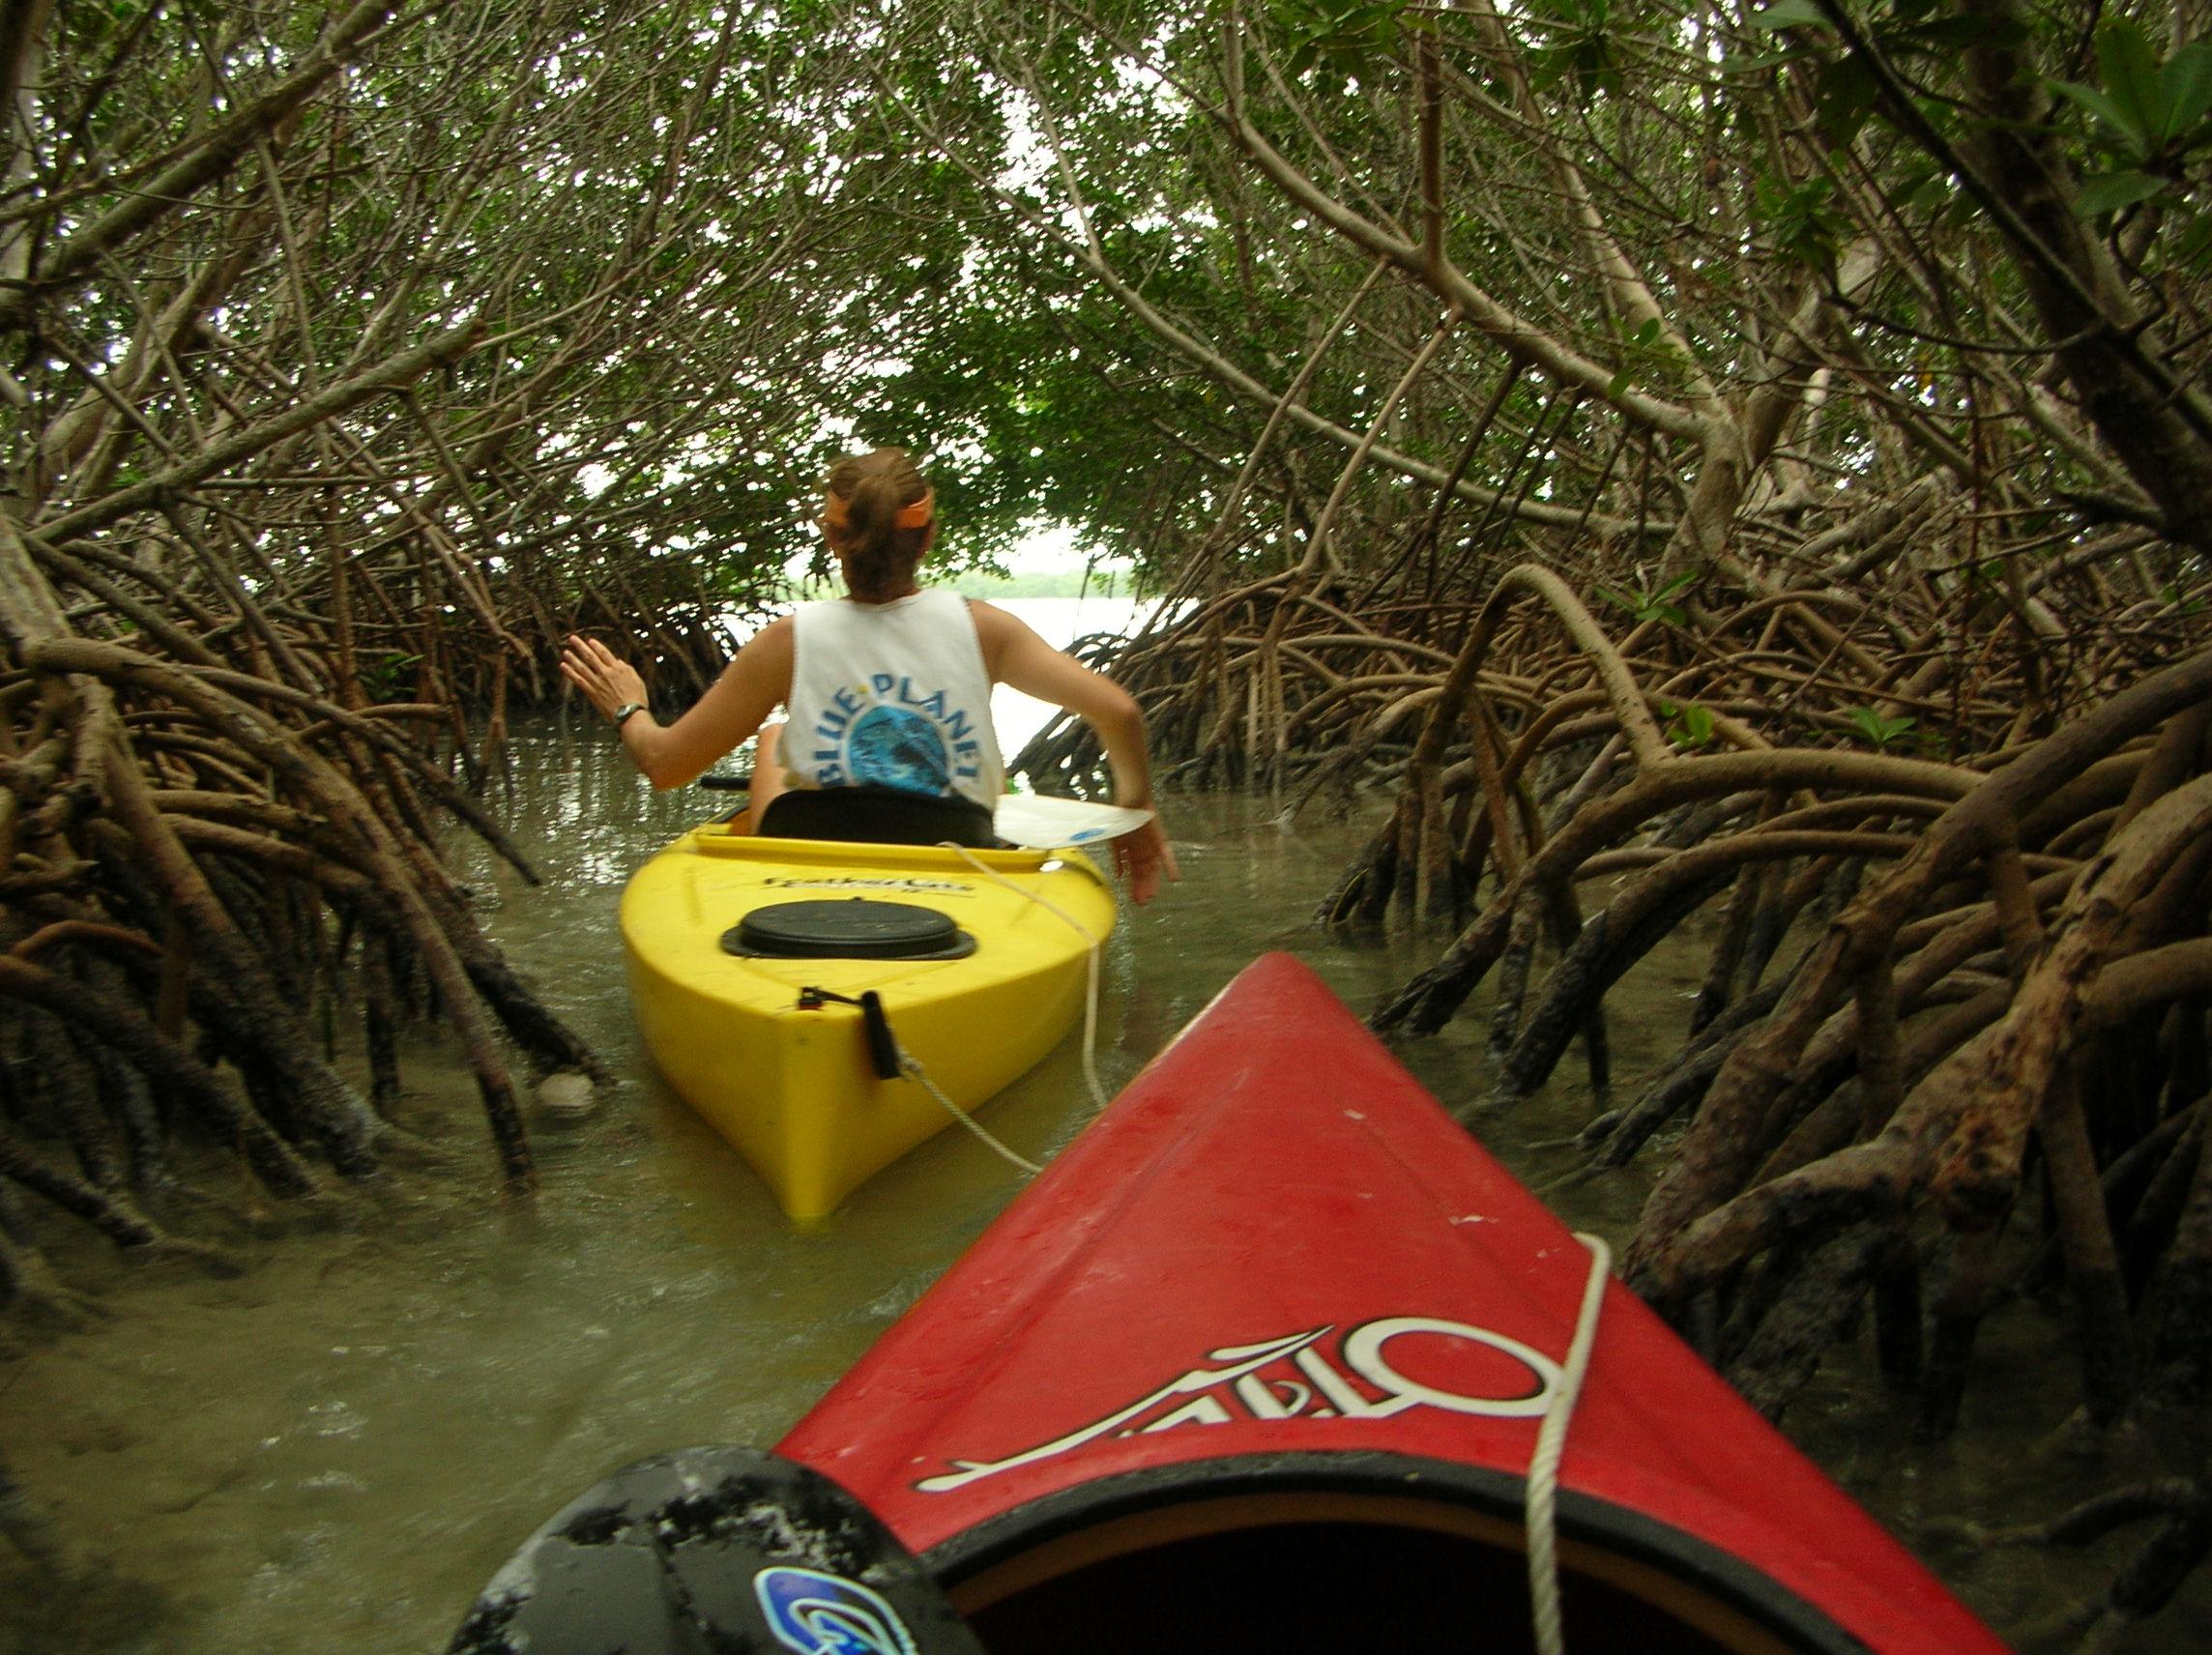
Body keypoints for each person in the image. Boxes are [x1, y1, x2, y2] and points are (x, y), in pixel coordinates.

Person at [561, 447, 1179, 904]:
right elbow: (1118, 712)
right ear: (927, 539)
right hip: (954, 841)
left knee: (775, 738)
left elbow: (666, 764)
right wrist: (1137, 814)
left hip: (809, 845)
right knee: (781, 737)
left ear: (833, 539)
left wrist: (629, 706)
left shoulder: (786, 640)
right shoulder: (986, 629)